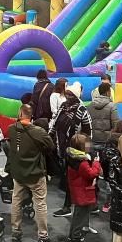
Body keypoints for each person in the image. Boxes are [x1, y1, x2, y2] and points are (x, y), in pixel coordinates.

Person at [7, 104, 53, 242]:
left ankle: (15, 232)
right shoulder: (39, 132)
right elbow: (50, 146)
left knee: (16, 201)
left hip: (18, 173)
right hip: (35, 174)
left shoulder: (11, 129)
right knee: (40, 204)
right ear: (31, 115)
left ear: (20, 114)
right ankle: (43, 235)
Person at [49, 82, 92, 217]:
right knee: (68, 178)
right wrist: (49, 137)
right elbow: (55, 124)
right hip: (62, 148)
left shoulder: (82, 110)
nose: (68, 96)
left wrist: (85, 152)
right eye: (67, 94)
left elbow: (88, 133)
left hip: (76, 151)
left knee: (73, 179)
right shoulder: (63, 107)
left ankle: (69, 206)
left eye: (70, 94)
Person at [66, 133, 101, 242]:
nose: (89, 146)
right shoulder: (82, 162)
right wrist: (96, 163)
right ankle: (76, 236)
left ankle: (73, 235)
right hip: (83, 191)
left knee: (78, 214)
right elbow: (91, 174)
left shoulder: (71, 157)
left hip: (77, 190)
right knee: (80, 216)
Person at [89, 82, 119, 157]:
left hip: (92, 140)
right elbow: (116, 125)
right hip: (106, 141)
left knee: (93, 161)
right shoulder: (112, 106)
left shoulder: (90, 106)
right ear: (108, 92)